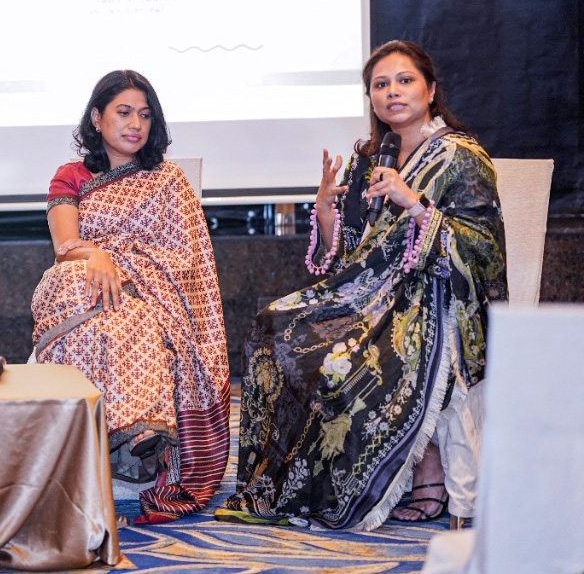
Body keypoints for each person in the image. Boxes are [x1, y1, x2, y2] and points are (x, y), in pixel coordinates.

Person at [216, 41, 506, 531]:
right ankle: (303, 482)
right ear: (370, 97)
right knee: (274, 328)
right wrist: (328, 213)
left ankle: (421, 476)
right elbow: (352, 253)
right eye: (380, 84)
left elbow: (483, 249)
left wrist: (415, 204)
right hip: (367, 294)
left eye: (405, 80)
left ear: (431, 90)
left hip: (433, 297)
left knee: (343, 358)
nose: (393, 91)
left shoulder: (462, 157)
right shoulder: (370, 157)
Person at [30, 70, 230, 524]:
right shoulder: (72, 176)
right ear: (97, 118)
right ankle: (128, 436)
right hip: (81, 283)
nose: (135, 124)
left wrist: (126, 269)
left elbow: (184, 258)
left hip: (152, 293)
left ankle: (136, 431)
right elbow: (65, 245)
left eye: (144, 115)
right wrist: (96, 255)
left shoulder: (167, 179)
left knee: (128, 317)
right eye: (123, 112)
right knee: (73, 283)